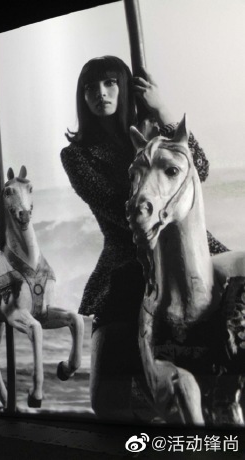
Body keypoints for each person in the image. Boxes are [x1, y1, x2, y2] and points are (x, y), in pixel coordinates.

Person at [60, 56, 228, 421]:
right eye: (90, 88)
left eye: (110, 83)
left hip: (187, 243)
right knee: (109, 386)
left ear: (125, 87)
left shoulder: (157, 133)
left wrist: (163, 111)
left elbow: (198, 169)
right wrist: (146, 157)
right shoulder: (76, 155)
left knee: (235, 288)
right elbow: (115, 205)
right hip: (127, 254)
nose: (100, 93)